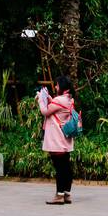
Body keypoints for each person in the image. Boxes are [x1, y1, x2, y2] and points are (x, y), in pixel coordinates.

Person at [38, 76, 78, 204]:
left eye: (56, 85)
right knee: (66, 167)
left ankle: (59, 196)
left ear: (61, 86)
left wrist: (40, 100)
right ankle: (67, 194)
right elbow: (57, 109)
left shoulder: (60, 100)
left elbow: (45, 111)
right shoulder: (69, 99)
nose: (55, 87)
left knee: (60, 168)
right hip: (65, 139)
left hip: (57, 140)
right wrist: (50, 99)